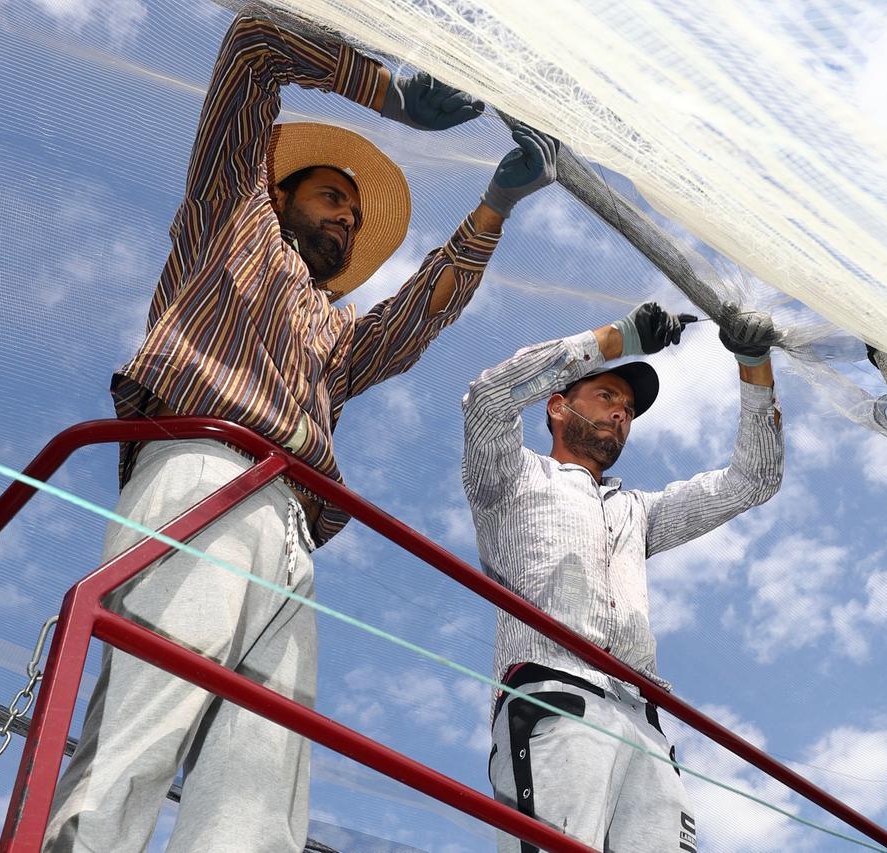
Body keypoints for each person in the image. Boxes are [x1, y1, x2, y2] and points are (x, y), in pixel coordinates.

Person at [44, 4, 558, 851]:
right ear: (276, 192)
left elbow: (416, 319)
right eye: (332, 197)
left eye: (354, 217)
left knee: (262, 777)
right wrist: (388, 93)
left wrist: (493, 207)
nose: (346, 220)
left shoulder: (334, 337)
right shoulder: (228, 224)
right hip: (205, 472)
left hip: (291, 525)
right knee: (148, 711)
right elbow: (252, 43)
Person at [461, 301, 784, 851]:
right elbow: (488, 397)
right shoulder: (512, 478)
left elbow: (753, 480)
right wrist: (620, 339)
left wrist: (754, 367)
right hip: (554, 698)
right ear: (557, 407)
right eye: (607, 396)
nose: (621, 414)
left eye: (629, 408)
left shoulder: (637, 510)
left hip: (645, 724)